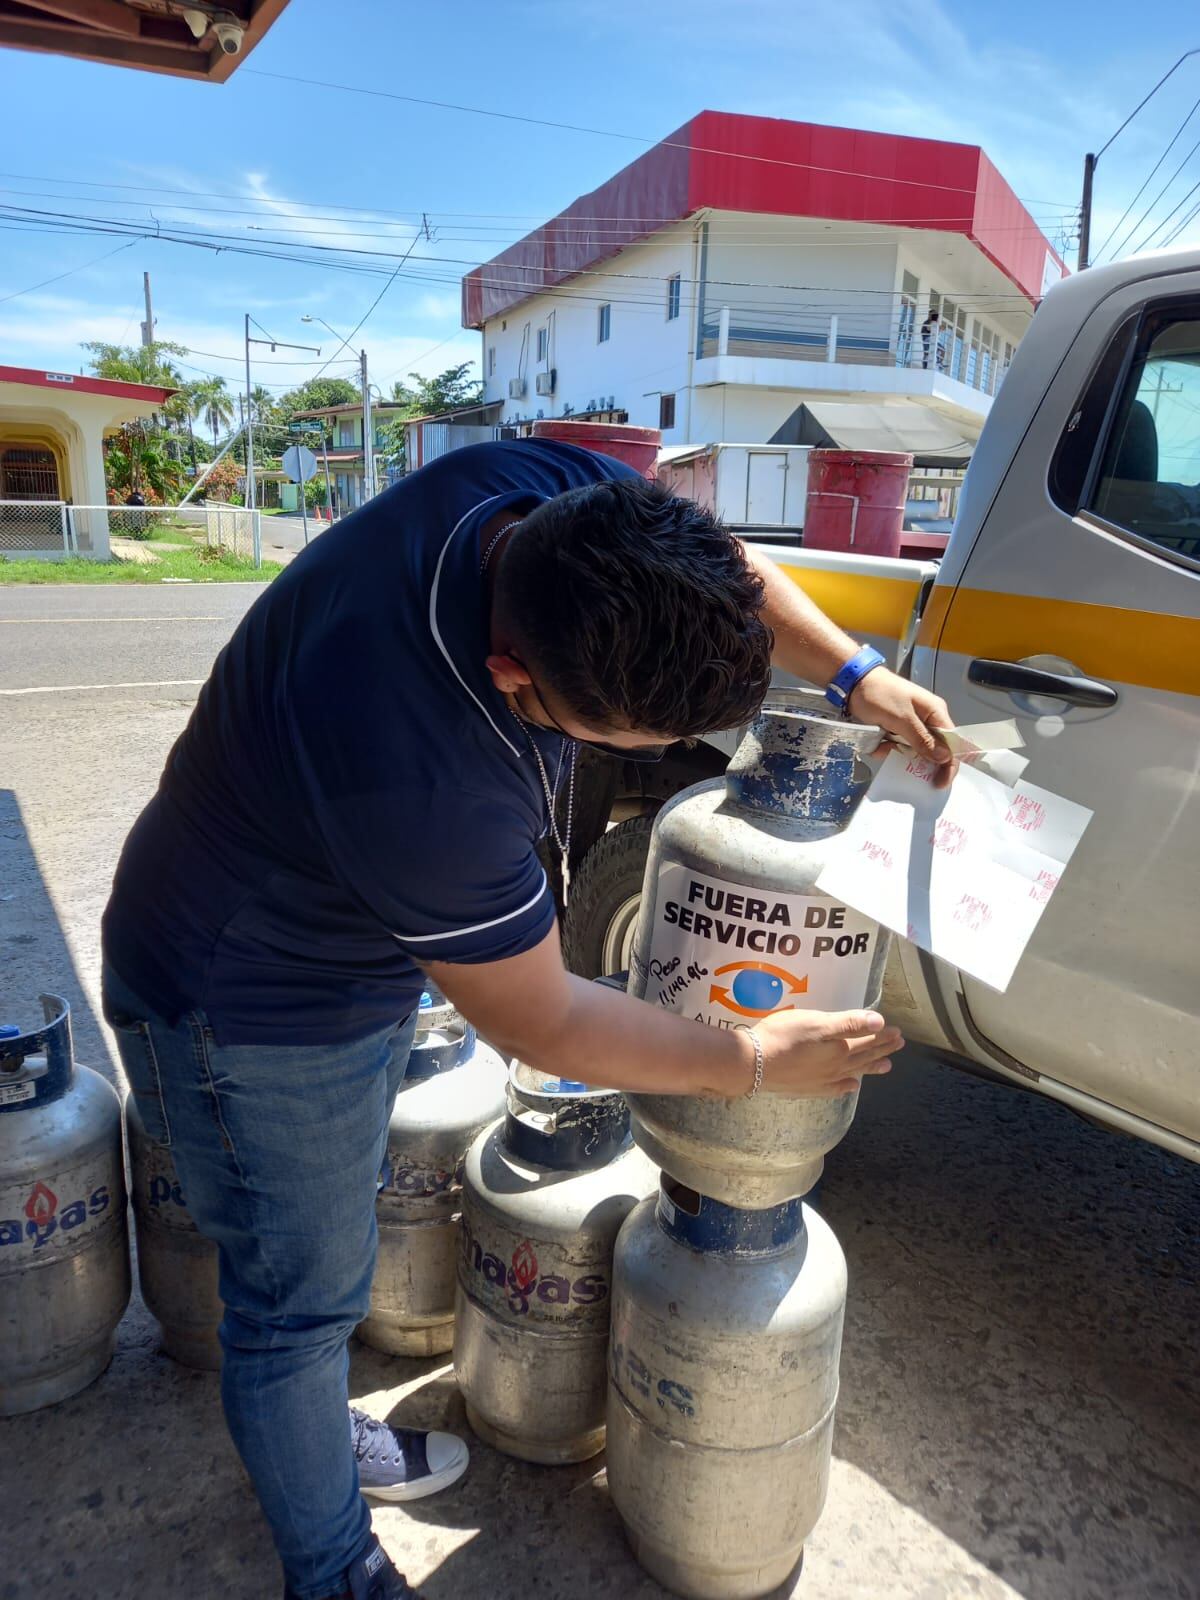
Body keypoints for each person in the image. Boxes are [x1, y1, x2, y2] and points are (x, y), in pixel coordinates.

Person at [101, 438, 955, 1600]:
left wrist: (856, 675)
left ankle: (310, 1452)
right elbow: (546, 1021)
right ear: (516, 677)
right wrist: (749, 1058)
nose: (662, 759)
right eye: (639, 744)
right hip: (247, 1001)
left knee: (325, 1249)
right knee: (295, 1301)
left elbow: (727, 570)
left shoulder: (559, 503)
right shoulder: (422, 772)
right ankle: (332, 1558)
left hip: (345, 931)